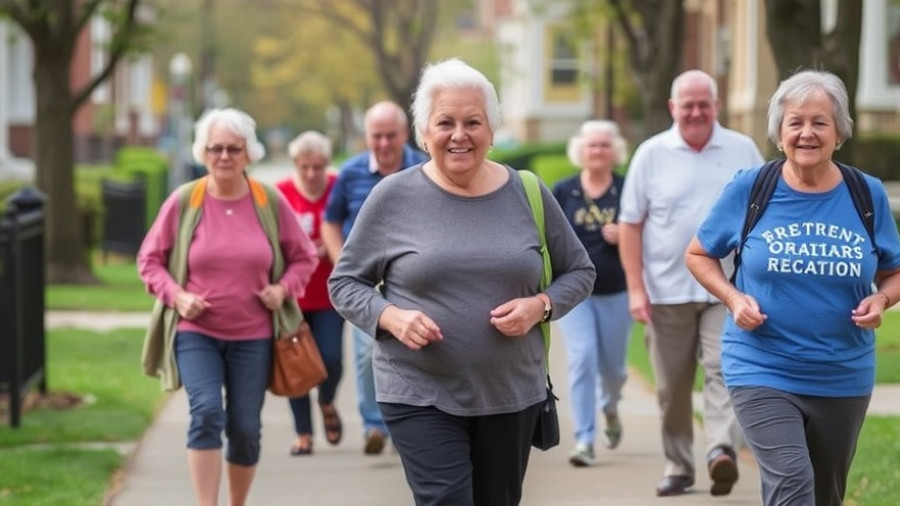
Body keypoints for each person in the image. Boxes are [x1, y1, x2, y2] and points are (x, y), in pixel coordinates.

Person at [328, 57, 595, 506]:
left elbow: (580, 271)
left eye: (473, 122)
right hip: (418, 390)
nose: (459, 135)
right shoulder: (392, 197)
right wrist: (390, 316)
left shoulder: (527, 192)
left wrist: (540, 306)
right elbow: (345, 283)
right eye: (445, 122)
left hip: (511, 393)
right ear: (423, 133)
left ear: (491, 131)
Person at [685, 70, 900, 506]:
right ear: (779, 133)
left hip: (842, 372)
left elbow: (894, 271)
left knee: (825, 494)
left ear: (839, 131)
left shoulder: (866, 194)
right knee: (792, 482)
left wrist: (883, 298)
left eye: (819, 122)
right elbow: (698, 254)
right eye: (795, 122)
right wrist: (733, 297)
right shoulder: (752, 188)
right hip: (762, 365)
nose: (806, 133)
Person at [137, 108, 318, 506]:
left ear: (247, 153)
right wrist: (178, 297)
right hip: (196, 333)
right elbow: (149, 260)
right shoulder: (186, 200)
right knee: (205, 413)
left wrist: (282, 289)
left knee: (245, 428)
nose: (224, 156)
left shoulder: (267, 200)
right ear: (203, 152)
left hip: (253, 336)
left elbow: (305, 256)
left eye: (233, 149)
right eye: (215, 148)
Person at [618, 69, 764, 497]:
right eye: (688, 105)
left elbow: (763, 212)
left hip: (728, 289)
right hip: (665, 290)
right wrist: (635, 287)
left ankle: (721, 450)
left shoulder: (743, 149)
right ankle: (678, 465)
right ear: (672, 108)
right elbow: (630, 224)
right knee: (671, 387)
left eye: (704, 104)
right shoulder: (650, 154)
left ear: (717, 106)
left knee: (725, 370)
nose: (696, 112)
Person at [320, 100, 428, 455]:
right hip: (367, 281)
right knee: (368, 353)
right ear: (366, 136)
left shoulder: (426, 168)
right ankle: (374, 424)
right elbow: (330, 220)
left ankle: (412, 421)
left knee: (416, 349)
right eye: (376, 136)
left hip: (416, 278)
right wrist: (342, 265)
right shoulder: (350, 173)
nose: (383, 144)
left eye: (390, 136)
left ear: (405, 135)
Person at [552, 120, 632, 467]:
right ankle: (584, 439)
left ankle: (610, 407)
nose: (597, 151)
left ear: (615, 152)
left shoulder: (627, 189)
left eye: (604, 145)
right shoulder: (563, 191)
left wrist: (624, 236)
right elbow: (548, 237)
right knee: (582, 358)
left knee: (613, 369)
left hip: (616, 291)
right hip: (574, 294)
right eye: (592, 145)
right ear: (580, 151)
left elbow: (646, 236)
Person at [275, 131, 345, 456]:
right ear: (296, 165)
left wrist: (331, 248)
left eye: (318, 166)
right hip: (292, 299)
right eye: (305, 167)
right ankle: (303, 433)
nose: (312, 174)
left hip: (329, 294)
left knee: (331, 359)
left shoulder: (337, 188)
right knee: (296, 366)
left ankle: (327, 400)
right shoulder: (281, 194)